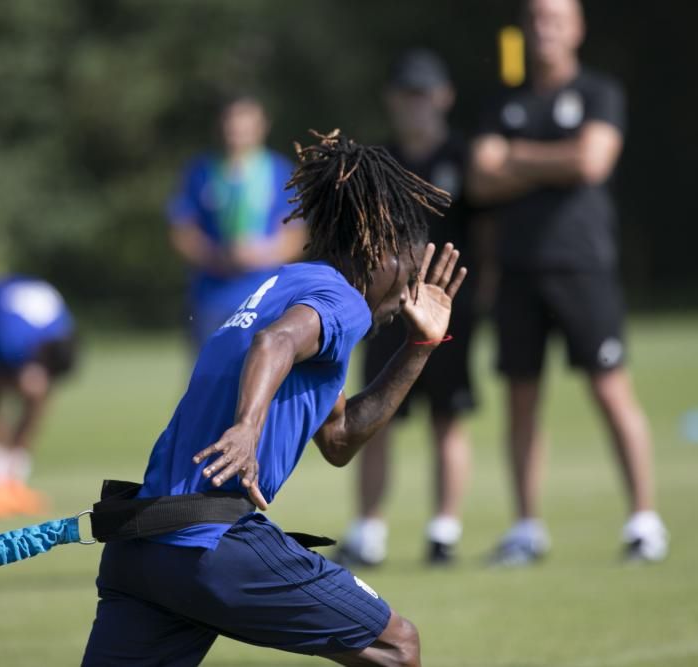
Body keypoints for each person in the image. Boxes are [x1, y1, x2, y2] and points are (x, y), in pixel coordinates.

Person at [81, 130, 466, 666]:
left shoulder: (283, 284)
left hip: (142, 551)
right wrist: (246, 429)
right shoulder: (341, 300)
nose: (407, 294)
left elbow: (340, 438)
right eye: (407, 269)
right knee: (398, 648)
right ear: (375, 247)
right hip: (210, 543)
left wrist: (420, 346)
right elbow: (276, 342)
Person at [468, 0, 668, 564]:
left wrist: (515, 158)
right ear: (524, 29)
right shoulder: (502, 100)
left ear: (577, 28)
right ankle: (526, 528)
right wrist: (546, 161)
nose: (544, 29)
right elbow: (480, 180)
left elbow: (590, 163)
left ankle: (644, 520)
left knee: (610, 390)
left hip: (582, 266)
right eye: (535, 19)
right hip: (517, 270)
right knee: (522, 401)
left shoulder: (600, 93)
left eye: (556, 18)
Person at [337, 50, 476, 567]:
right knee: (376, 414)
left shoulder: (464, 157)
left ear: (444, 97)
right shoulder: (379, 163)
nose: (416, 105)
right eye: (407, 95)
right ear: (393, 100)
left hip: (447, 306)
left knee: (448, 415)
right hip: (385, 310)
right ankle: (368, 529)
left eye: (425, 94)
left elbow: (484, 227)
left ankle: (444, 529)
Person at [167, 94, 307, 346]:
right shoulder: (199, 171)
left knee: (260, 374)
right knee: (210, 377)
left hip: (265, 296)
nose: (236, 130)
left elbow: (297, 234)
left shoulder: (280, 172)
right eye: (231, 122)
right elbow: (181, 230)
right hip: (211, 296)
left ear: (262, 126)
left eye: (245, 124)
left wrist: (261, 254)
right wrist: (215, 256)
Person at [0, 275, 78, 518]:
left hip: (8, 317)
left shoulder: (63, 334)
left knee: (39, 396)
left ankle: (14, 479)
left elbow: (44, 383)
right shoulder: (5, 340)